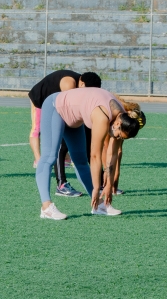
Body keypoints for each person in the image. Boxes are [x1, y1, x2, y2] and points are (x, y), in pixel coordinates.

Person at [36, 87, 145, 220]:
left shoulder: (122, 116)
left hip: (73, 119)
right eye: (119, 135)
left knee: (81, 161)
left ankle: (98, 205)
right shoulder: (103, 117)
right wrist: (97, 188)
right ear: (117, 123)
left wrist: (109, 185)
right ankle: (46, 207)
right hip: (55, 107)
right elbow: (95, 155)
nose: (118, 138)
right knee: (49, 157)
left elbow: (113, 155)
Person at [28, 70, 102, 197]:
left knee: (75, 152)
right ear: (82, 83)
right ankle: (42, 163)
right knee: (38, 129)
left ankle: (96, 196)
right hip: (41, 99)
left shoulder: (81, 87)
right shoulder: (69, 83)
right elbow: (65, 108)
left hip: (58, 106)